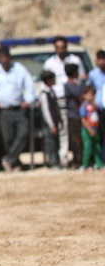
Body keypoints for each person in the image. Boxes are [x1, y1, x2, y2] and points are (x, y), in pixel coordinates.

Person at [0, 46, 36, 172]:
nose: (4, 60)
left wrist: (28, 100)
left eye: (6, 57)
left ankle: (9, 159)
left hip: (18, 109)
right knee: (8, 138)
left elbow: (29, 85)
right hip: (3, 111)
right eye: (1, 57)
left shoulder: (19, 69)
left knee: (23, 132)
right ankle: (15, 163)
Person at [43, 36, 86, 166]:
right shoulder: (50, 63)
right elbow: (45, 83)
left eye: (63, 47)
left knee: (76, 132)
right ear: (55, 48)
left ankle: (78, 158)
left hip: (75, 102)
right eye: (58, 47)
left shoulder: (75, 60)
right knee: (63, 131)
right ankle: (64, 158)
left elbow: (83, 78)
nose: (61, 50)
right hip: (58, 101)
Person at [38, 70, 62, 170]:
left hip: (54, 122)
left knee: (55, 143)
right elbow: (46, 111)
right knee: (50, 144)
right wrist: (51, 125)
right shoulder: (44, 94)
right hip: (49, 124)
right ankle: (52, 163)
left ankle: (56, 161)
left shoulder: (51, 92)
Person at [84, 50, 105, 163]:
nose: (102, 62)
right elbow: (88, 89)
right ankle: (99, 160)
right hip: (97, 109)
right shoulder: (93, 74)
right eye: (100, 59)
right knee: (98, 134)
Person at [79, 85, 103, 171]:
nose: (91, 97)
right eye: (89, 94)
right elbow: (83, 119)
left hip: (94, 129)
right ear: (84, 95)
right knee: (88, 149)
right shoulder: (84, 106)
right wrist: (89, 129)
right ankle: (85, 166)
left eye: (93, 95)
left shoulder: (93, 105)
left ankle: (99, 165)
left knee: (97, 148)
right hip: (87, 130)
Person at [64, 64, 83, 169]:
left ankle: (80, 160)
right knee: (75, 140)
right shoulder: (68, 85)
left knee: (80, 139)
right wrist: (82, 82)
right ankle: (77, 161)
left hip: (78, 115)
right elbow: (77, 92)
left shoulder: (75, 84)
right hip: (73, 115)